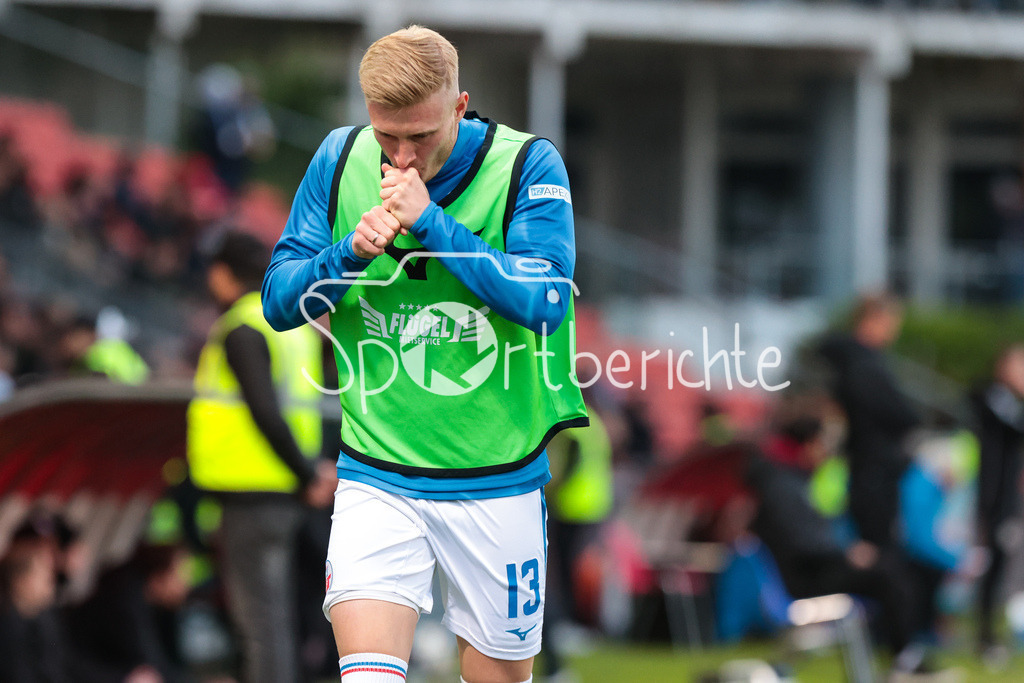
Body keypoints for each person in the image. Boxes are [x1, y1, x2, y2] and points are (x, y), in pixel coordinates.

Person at [262, 26, 588, 683]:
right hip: (378, 470)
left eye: (422, 135)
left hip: (498, 475)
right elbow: (278, 300)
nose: (403, 157)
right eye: (388, 136)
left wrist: (432, 223)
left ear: (460, 106)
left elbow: (547, 300)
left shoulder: (527, 165)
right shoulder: (338, 159)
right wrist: (347, 256)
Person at [186, 231, 336, 683]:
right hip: (281, 492)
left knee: (260, 624)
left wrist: (307, 474)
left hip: (254, 492)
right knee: (273, 618)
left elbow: (265, 412)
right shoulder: (288, 327)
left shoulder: (241, 325)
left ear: (223, 274)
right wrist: (309, 472)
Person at [817, 293, 921, 550]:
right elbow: (898, 414)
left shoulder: (856, 361)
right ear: (873, 319)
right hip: (870, 469)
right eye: (891, 322)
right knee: (874, 546)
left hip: (866, 466)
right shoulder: (862, 366)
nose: (894, 331)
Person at [971, 344, 1024, 657]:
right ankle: (984, 636)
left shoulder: (1010, 404)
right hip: (989, 498)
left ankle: (991, 634)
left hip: (1006, 498)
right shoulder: (988, 397)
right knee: (988, 567)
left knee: (1000, 567)